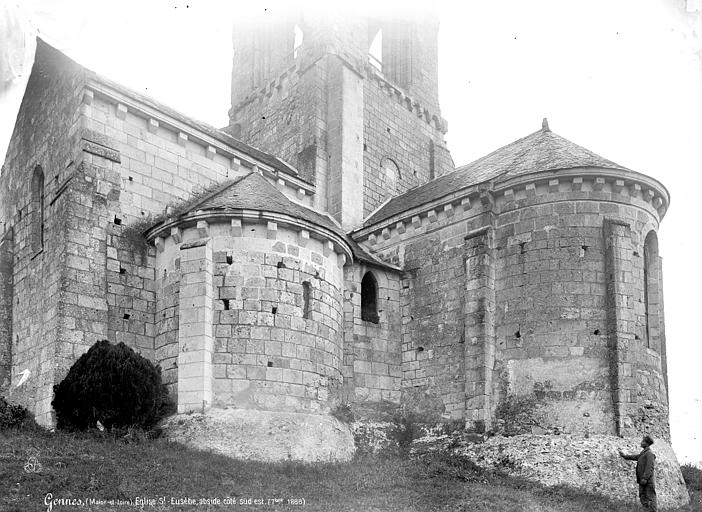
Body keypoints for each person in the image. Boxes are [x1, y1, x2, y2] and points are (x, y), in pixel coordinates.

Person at [619, 435, 657, 511]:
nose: (641, 442)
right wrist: (625, 456)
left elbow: (649, 467)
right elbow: (635, 457)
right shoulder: (643, 453)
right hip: (642, 481)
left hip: (647, 481)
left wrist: (645, 478)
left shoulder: (649, 453)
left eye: (643, 441)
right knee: (642, 497)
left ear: (646, 443)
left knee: (650, 498)